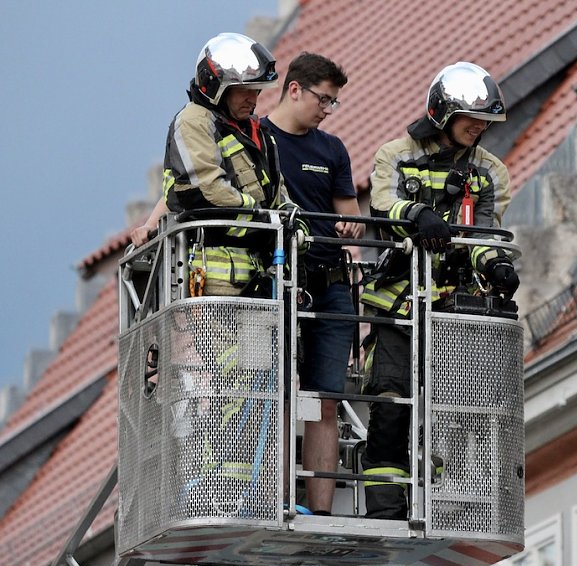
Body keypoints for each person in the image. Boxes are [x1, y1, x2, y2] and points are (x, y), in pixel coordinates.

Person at [359, 61, 520, 519]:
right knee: (390, 405)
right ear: (442, 115)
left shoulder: (490, 172)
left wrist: (498, 265)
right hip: (398, 303)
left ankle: (448, 506)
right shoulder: (396, 154)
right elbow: (383, 201)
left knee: (456, 411)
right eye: (471, 119)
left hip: (456, 309)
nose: (480, 128)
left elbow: (484, 235)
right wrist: (415, 215)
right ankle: (386, 510)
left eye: (486, 121)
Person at [159, 32, 303, 519]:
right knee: (219, 386)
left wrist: (291, 217)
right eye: (243, 90)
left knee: (255, 385)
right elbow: (207, 188)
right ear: (213, 85)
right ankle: (211, 484)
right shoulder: (192, 123)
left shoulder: (257, 131)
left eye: (257, 91)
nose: (253, 99)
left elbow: (276, 192)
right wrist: (266, 219)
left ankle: (243, 488)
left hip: (261, 282)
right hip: (212, 284)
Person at [261, 52, 365, 516]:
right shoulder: (256, 139)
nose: (327, 109)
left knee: (327, 398)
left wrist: (352, 228)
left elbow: (350, 213)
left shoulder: (332, 149)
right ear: (295, 89)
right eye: (324, 99)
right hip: (273, 284)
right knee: (278, 396)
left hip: (329, 283)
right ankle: (279, 503)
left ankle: (319, 512)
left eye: (334, 102)